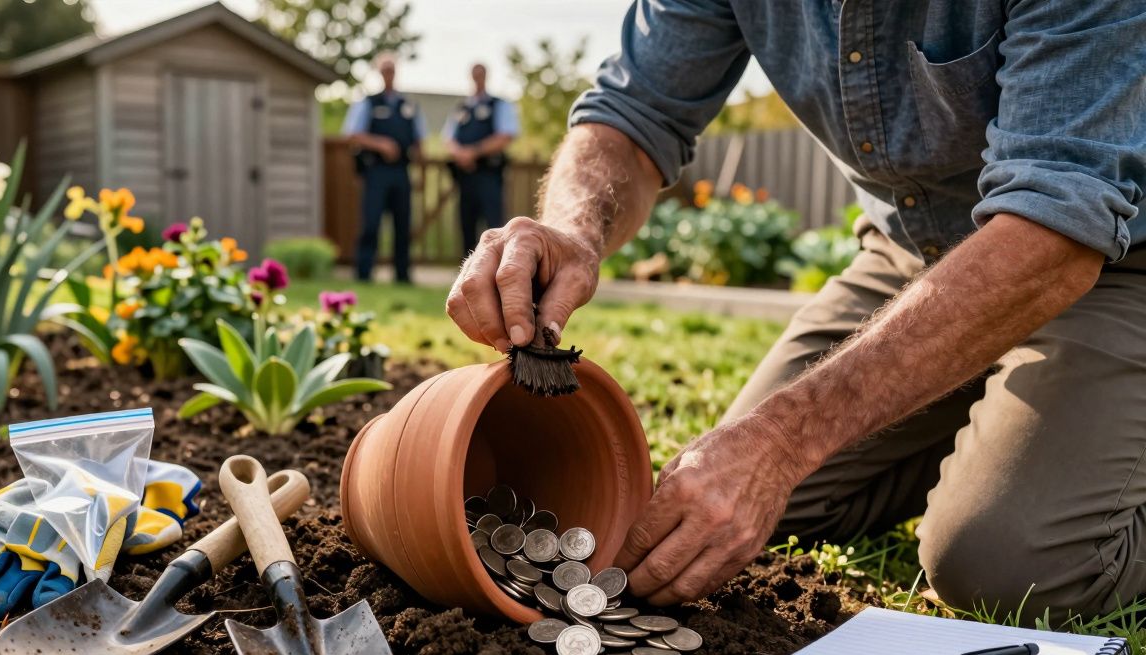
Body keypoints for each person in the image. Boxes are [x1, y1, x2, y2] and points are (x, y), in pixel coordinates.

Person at [446, 1, 1146, 623]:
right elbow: (633, 117)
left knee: (1008, 566)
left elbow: (1055, 220)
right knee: (761, 513)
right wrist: (572, 229)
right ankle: (992, 404)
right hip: (916, 254)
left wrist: (784, 440)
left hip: (1107, 261)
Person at [343, 53, 426, 283]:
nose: (389, 73)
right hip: (375, 171)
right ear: (379, 72)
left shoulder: (408, 105)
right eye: (385, 69)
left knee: (403, 224)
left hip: (401, 172)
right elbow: (352, 134)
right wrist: (380, 144)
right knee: (371, 222)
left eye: (392, 69)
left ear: (396, 72)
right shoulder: (368, 102)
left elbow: (419, 140)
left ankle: (402, 274)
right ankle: (364, 272)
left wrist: (421, 171)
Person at [443, 63, 519, 257]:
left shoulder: (499, 104)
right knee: (466, 225)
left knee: (494, 226)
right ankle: (467, 273)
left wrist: (473, 152)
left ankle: (497, 271)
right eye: (474, 74)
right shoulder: (462, 108)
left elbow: (505, 136)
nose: (477, 78)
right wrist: (460, 154)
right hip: (465, 175)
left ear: (486, 76)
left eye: (481, 74)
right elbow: (448, 138)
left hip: (489, 174)